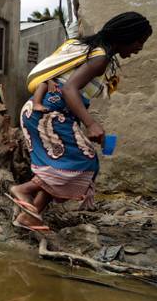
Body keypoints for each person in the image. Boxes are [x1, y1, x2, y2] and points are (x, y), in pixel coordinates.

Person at [9, 12, 152, 231]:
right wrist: (91, 124)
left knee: (67, 164)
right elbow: (69, 88)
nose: (139, 48)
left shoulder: (93, 50)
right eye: (139, 42)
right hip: (48, 112)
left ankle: (30, 216)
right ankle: (24, 190)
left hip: (44, 111)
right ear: (126, 35)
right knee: (83, 162)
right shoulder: (100, 57)